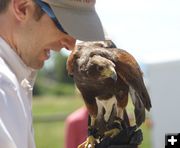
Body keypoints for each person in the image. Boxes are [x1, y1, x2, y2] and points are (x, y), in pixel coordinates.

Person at [0, 0, 104, 148]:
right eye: (65, 26)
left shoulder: (14, 80)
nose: (71, 45)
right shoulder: (3, 85)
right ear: (22, 8)